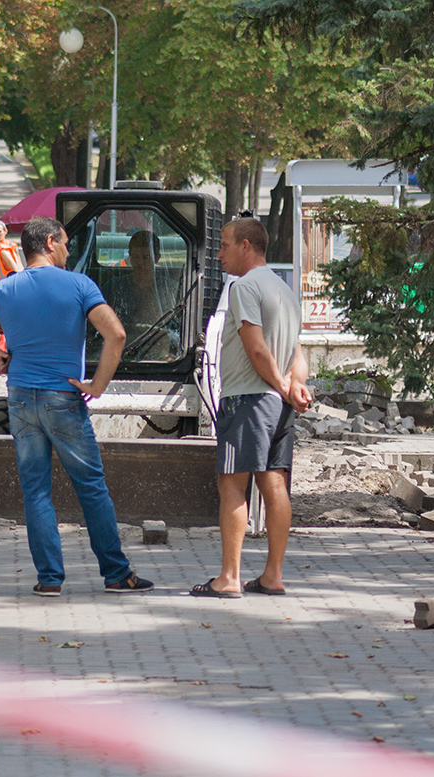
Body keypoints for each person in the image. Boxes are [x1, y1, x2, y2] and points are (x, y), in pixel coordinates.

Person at [0, 216, 154, 597]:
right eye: (67, 244)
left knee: (35, 490)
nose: (69, 251)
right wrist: (98, 386)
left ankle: (49, 579)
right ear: (51, 242)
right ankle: (117, 573)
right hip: (63, 399)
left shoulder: (5, 287)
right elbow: (116, 333)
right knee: (90, 487)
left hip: (20, 396)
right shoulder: (79, 285)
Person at [191, 217, 312, 598]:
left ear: (246, 246)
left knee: (232, 486)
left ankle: (229, 577)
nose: (220, 253)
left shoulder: (244, 287)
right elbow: (298, 353)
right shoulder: (285, 290)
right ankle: (272, 575)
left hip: (247, 398)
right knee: (275, 484)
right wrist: (295, 387)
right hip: (280, 406)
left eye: (225, 245)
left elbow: (256, 348)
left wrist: (278, 384)